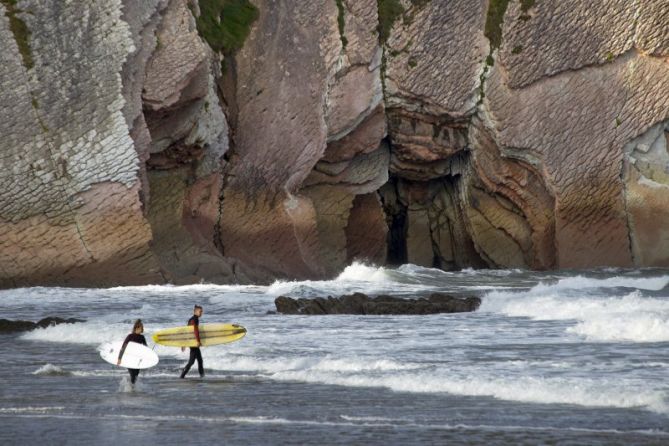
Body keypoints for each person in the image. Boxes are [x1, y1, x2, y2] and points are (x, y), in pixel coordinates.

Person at [117, 319, 147, 384]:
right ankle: (131, 388)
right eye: (141, 328)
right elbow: (123, 347)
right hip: (129, 358)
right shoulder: (130, 336)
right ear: (136, 328)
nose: (142, 330)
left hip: (137, 358)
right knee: (132, 375)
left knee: (136, 375)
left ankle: (132, 388)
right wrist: (119, 358)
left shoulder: (142, 337)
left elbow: (145, 348)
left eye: (142, 328)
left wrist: (148, 356)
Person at [180, 305, 204, 378]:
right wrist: (198, 341)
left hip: (192, 342)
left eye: (202, 311)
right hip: (194, 343)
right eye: (200, 311)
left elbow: (187, 332)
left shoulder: (191, 319)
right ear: (195, 311)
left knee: (199, 360)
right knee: (192, 362)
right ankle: (182, 375)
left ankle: (202, 376)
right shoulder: (195, 319)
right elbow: (195, 330)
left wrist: (184, 344)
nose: (201, 313)